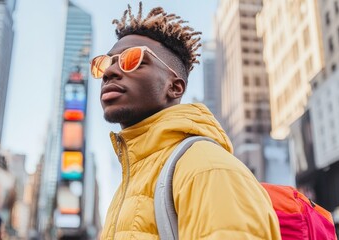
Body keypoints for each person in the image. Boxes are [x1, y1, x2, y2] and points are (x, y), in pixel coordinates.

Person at [90, 2, 281, 239]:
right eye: (105, 63)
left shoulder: (207, 168)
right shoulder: (129, 185)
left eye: (131, 59)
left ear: (174, 87)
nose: (109, 72)